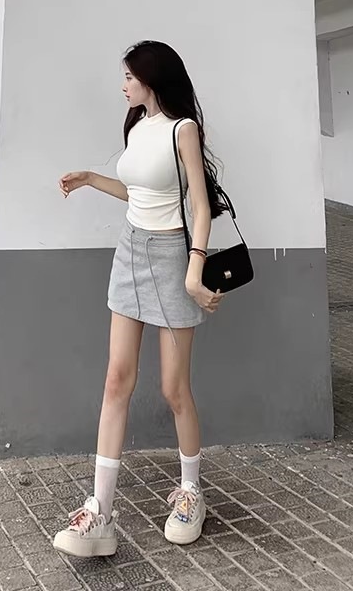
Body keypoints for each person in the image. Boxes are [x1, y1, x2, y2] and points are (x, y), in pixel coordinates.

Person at [53, 41, 226, 559]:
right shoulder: (137, 127)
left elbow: (200, 205)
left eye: (129, 76)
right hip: (129, 252)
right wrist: (91, 178)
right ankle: (100, 513)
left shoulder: (182, 129)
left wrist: (194, 270)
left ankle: (191, 492)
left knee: (174, 388)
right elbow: (139, 193)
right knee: (116, 380)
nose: (123, 84)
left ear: (152, 78)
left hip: (172, 256)